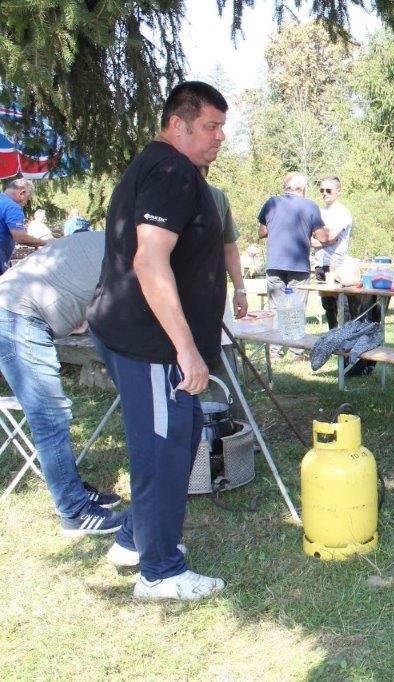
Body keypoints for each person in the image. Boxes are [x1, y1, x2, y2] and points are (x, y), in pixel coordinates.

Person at [86, 81, 231, 601]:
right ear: (178, 124)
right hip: (152, 343)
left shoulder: (165, 167)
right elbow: (149, 260)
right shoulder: (171, 170)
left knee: (181, 436)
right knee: (163, 450)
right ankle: (161, 572)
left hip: (143, 335)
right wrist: (185, 349)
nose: (219, 137)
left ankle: (134, 538)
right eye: (210, 126)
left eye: (222, 127)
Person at [0, 232, 125, 536]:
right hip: (15, 317)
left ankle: (72, 488)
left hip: (16, 309)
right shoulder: (126, 259)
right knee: (50, 418)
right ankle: (75, 512)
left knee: (53, 416)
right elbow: (111, 329)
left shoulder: (105, 240)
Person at [257, 172, 329, 358]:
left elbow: (262, 231)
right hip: (298, 265)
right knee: (296, 307)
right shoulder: (310, 206)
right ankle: (296, 351)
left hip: (275, 263)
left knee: (275, 308)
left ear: (285, 187)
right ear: (303, 188)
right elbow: (323, 237)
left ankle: (275, 352)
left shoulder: (271, 203)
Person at [200, 165, 248, 319]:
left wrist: (240, 290)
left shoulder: (217, 197)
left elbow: (229, 247)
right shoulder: (166, 192)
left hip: (212, 290)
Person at [312, 175, 353, 329]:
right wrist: (326, 240)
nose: (324, 193)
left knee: (344, 307)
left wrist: (323, 239)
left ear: (338, 191)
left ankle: (347, 337)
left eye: (328, 190)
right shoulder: (318, 212)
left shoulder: (343, 212)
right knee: (328, 307)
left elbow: (332, 236)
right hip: (320, 264)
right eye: (321, 190)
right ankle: (332, 336)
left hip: (338, 265)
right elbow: (310, 239)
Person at [0, 179, 49, 274]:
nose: (26, 203)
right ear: (22, 193)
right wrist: (46, 242)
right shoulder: (12, 207)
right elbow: (21, 238)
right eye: (27, 198)